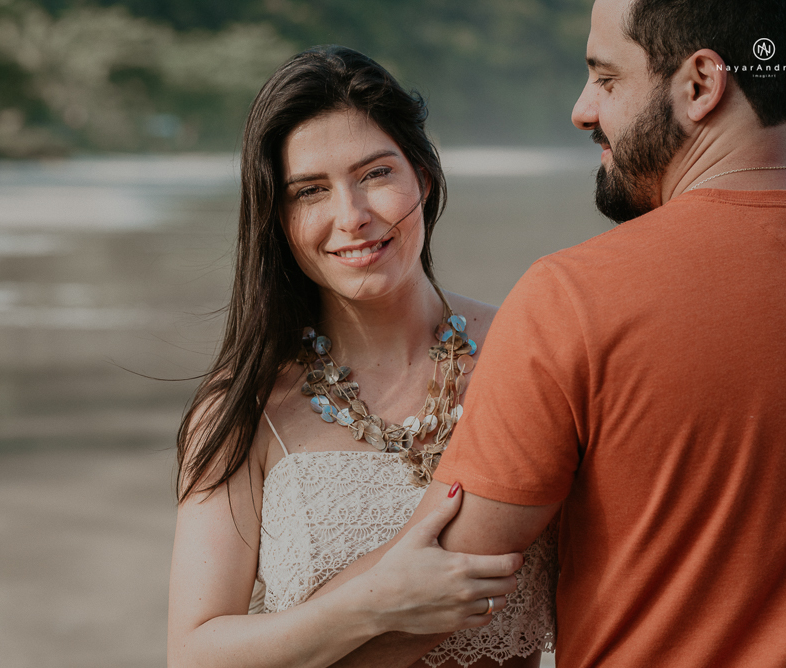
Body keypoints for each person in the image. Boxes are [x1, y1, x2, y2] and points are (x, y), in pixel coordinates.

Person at [315, 0, 786, 666]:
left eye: (607, 78)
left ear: (700, 84)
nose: (583, 110)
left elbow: (433, 592)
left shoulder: (578, 298)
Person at [166, 46, 557, 668]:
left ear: (423, 178)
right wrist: (371, 604)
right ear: (277, 218)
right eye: (309, 191)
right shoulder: (245, 405)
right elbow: (195, 655)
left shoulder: (531, 354)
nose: (351, 216)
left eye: (376, 174)